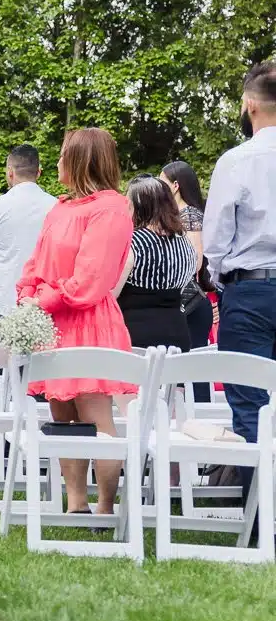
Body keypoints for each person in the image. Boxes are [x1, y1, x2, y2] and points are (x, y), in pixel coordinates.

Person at [17, 127, 135, 517]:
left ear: (82, 160)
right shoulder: (60, 206)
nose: (56, 162)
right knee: (61, 414)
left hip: (88, 321)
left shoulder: (112, 207)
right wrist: (26, 295)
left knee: (96, 415)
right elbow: (36, 260)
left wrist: (43, 300)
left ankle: (105, 507)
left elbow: (91, 278)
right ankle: (75, 503)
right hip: (53, 322)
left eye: (63, 154)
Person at [203, 60, 276, 505]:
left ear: (249, 104)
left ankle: (263, 516)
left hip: (249, 288)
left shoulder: (236, 161)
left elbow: (215, 240)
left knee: (248, 400)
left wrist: (218, 278)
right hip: (248, 286)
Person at [0, 145, 57, 396]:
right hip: (41, 305)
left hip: (1, 301)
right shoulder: (56, 206)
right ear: (39, 172)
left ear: (10, 172)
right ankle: (34, 431)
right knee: (38, 379)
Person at [113, 175, 196, 383]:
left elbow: (112, 293)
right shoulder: (184, 242)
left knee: (137, 406)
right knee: (170, 404)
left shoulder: (133, 241)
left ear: (138, 206)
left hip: (136, 337)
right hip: (177, 332)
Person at [160, 160, 215, 402]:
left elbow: (195, 260)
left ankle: (199, 414)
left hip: (189, 300)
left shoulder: (190, 215)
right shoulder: (175, 216)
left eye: (162, 181)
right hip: (183, 300)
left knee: (194, 366)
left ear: (175, 185)